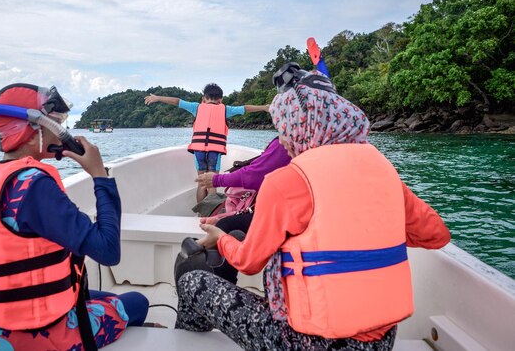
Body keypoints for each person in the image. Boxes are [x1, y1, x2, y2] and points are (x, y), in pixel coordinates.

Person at [175, 67, 451, 350]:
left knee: (192, 280)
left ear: (298, 128)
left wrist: (221, 239)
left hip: (309, 343)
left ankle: (183, 338)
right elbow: (437, 235)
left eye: (284, 129)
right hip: (381, 343)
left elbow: (248, 262)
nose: (283, 139)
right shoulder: (384, 171)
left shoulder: (286, 182)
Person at [0, 83, 149, 350]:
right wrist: (99, 175)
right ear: (34, 132)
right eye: (58, 123)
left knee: (103, 296)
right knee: (137, 301)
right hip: (42, 339)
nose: (64, 132)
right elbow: (108, 250)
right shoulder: (36, 186)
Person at [144, 83, 269, 202]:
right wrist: (264, 108)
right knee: (212, 182)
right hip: (215, 150)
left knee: (201, 183)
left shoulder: (196, 107)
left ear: (203, 98)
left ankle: (200, 215)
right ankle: (209, 215)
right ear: (220, 99)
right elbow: (246, 108)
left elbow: (177, 101)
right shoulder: (226, 109)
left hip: (199, 151)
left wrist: (158, 98)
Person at [194, 136, 291, 283]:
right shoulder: (306, 141)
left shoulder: (288, 140)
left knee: (226, 226)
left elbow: (249, 265)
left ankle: (220, 286)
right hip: (288, 211)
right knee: (227, 223)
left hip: (284, 216)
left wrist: (218, 180)